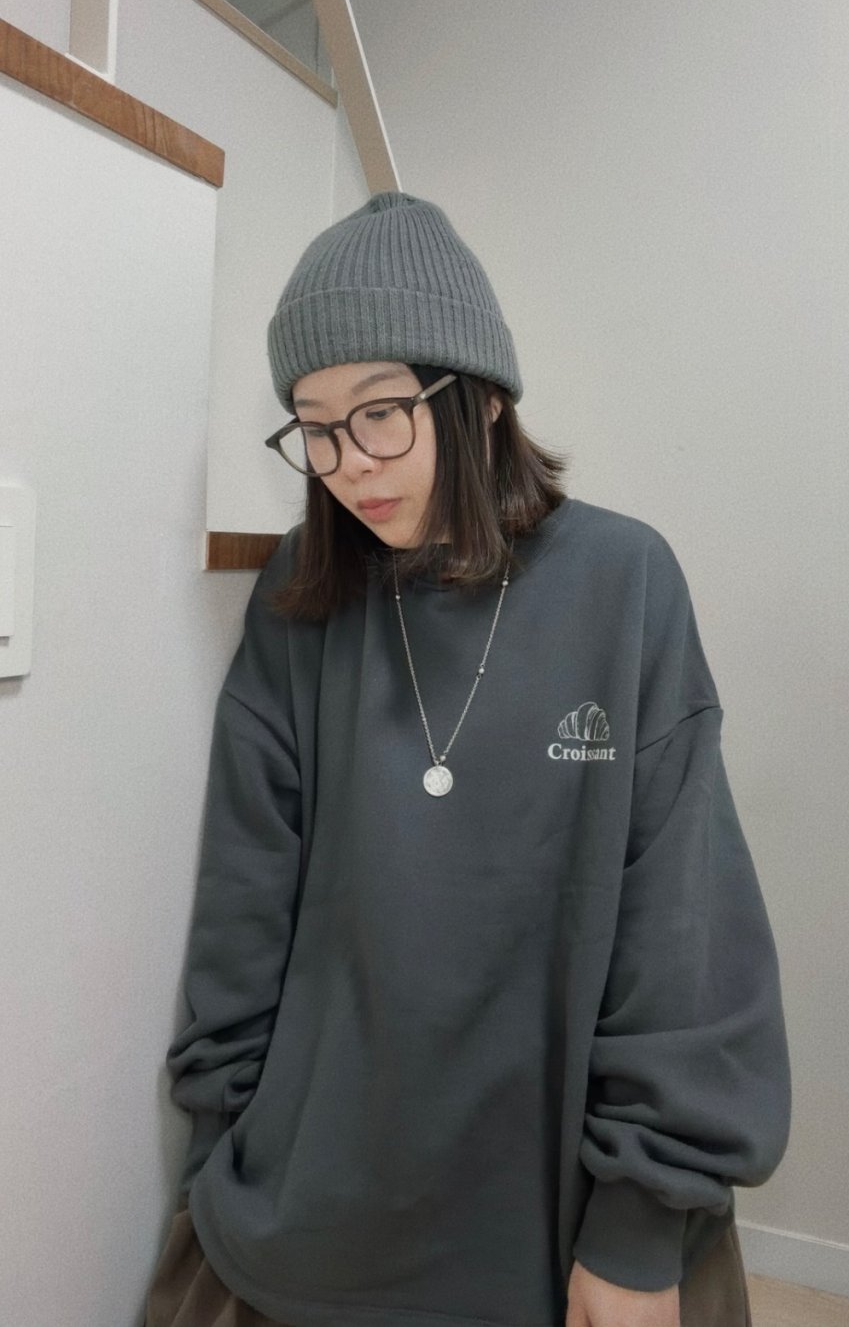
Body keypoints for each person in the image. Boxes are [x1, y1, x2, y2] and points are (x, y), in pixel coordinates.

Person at [143, 190, 791, 1327]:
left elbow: (681, 924)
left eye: (382, 412)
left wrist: (640, 1225)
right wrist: (216, 1151)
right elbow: (244, 899)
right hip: (318, 1190)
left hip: (554, 1203)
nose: (348, 462)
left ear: (482, 398)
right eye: (314, 426)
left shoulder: (621, 582)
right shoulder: (301, 596)